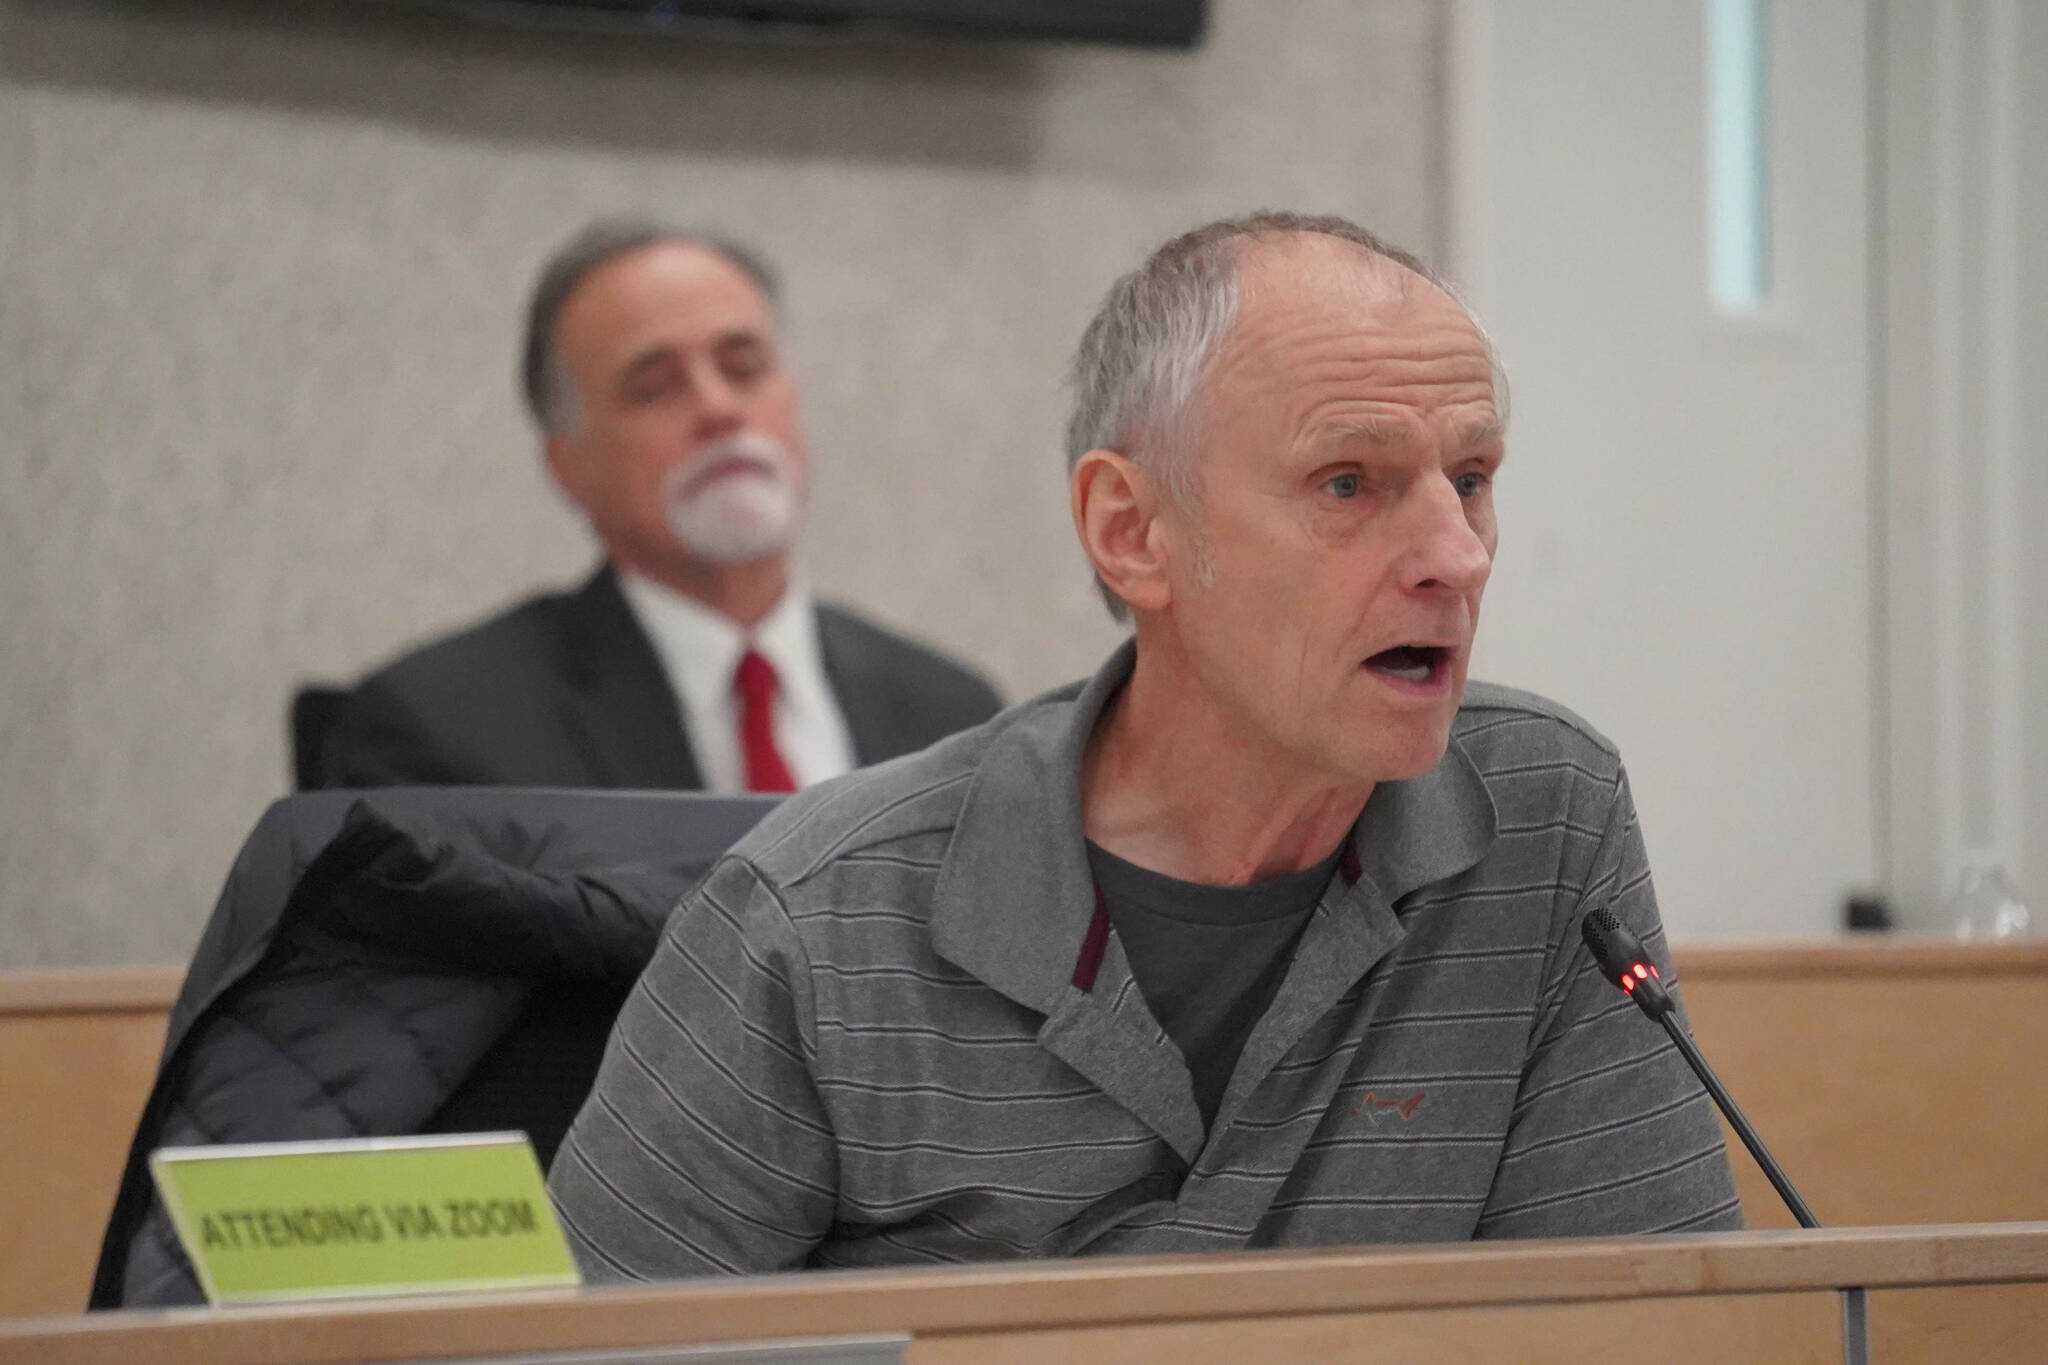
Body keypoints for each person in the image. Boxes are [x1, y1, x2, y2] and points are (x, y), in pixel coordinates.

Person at [548, 212, 1741, 1277]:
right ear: (1131, 533)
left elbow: (1648, 1323)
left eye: (1469, 477)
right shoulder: (813, 914)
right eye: (1347, 483)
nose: (1457, 553)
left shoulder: (1538, 812)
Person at [311, 216, 1002, 793]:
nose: (719, 408)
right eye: (654, 386)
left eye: (743, 366)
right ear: (567, 466)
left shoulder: (955, 718)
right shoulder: (441, 733)